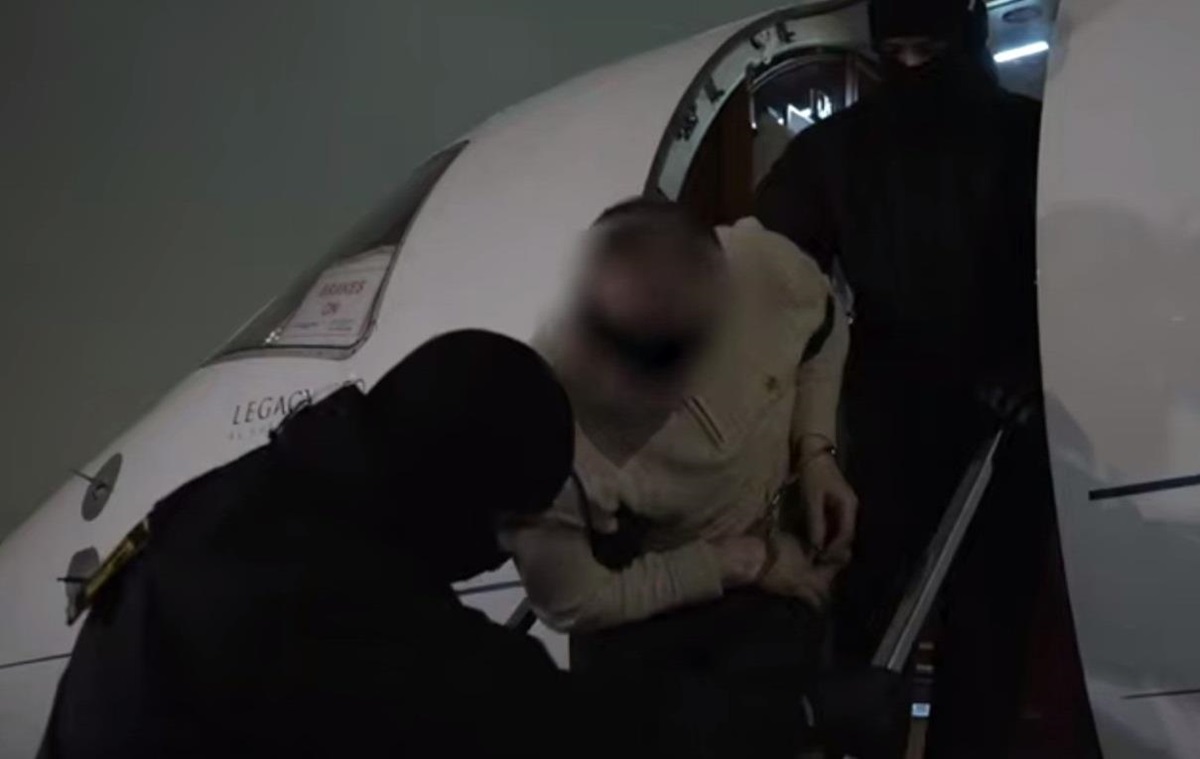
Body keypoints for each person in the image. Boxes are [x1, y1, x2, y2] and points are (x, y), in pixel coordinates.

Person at [38, 329, 897, 759]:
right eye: (501, 524)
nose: (497, 558)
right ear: (451, 490)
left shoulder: (251, 499)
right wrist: (805, 713)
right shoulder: (332, 605)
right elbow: (566, 730)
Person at [755, 0, 1069, 756]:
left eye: (927, 50)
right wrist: (811, 442)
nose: (912, 69)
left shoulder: (1036, 144)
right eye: (895, 53)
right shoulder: (838, 153)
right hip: (889, 435)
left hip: (1003, 433)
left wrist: (1038, 362)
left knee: (985, 654)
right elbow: (768, 288)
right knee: (873, 651)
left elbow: (1088, 276)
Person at [504, 199, 904, 756]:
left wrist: (817, 451)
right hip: (640, 625)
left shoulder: (763, 267)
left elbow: (824, 325)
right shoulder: (542, 426)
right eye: (638, 352)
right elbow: (574, 601)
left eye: (684, 349)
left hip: (778, 587)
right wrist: (739, 562)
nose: (658, 392)